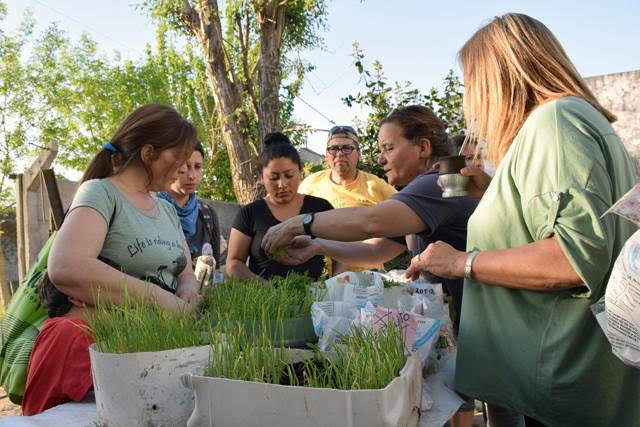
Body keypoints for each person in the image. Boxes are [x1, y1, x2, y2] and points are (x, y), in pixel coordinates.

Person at [405, 13, 640, 426]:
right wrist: (491, 191)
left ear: (499, 77)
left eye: (472, 84)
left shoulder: (555, 122)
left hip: (561, 378)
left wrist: (461, 262)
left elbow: (571, 256)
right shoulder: (577, 119)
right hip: (574, 374)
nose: (471, 99)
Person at [261, 106, 478, 426]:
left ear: (423, 148)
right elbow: (379, 250)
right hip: (460, 321)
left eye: (389, 148)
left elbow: (370, 221)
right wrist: (319, 246)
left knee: (497, 411)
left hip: (477, 320)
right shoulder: (434, 186)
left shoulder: (439, 182)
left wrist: (301, 223)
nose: (380, 159)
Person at [226, 132, 337, 282]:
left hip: (317, 299)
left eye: (289, 175)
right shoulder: (250, 213)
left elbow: (341, 251)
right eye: (274, 178)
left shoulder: (321, 207)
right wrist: (264, 288)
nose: (282, 184)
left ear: (301, 171)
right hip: (265, 302)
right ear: (261, 178)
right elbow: (233, 263)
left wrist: (334, 285)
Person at [299, 125, 396, 272]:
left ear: (358, 154)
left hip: (367, 277)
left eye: (346, 148)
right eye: (333, 149)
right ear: (326, 155)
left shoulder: (375, 185)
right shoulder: (310, 183)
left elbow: (407, 212)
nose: (339, 154)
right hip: (321, 278)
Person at [158, 141, 222, 265]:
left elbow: (215, 270)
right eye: (185, 166)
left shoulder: (207, 214)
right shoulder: (151, 209)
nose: (192, 176)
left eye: (197, 167)